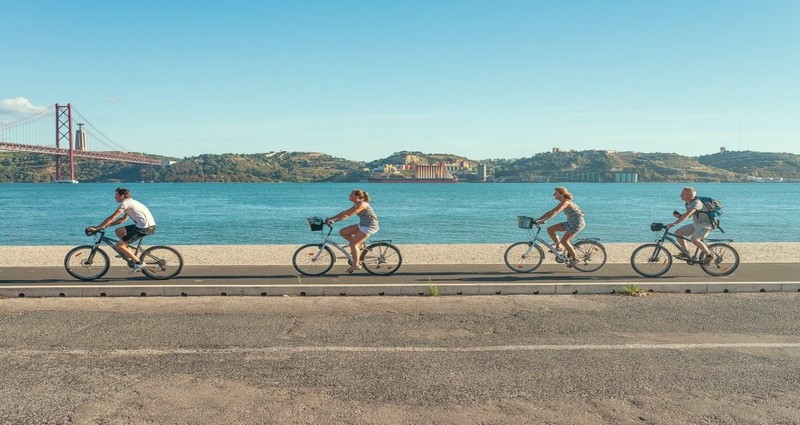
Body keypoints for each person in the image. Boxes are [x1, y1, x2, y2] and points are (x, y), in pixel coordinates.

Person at [88, 187, 157, 274]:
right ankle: (127, 252)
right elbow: (122, 220)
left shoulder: (125, 203)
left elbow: (112, 217)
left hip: (144, 227)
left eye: (116, 195)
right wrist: (106, 226)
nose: (114, 197)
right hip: (143, 225)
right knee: (119, 231)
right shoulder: (130, 202)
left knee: (119, 245)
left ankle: (139, 263)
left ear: (122, 196)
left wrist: (97, 227)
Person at [325, 189, 379, 274]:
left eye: (351, 194)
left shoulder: (362, 205)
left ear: (357, 196)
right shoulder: (356, 204)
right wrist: (331, 218)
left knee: (353, 244)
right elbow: (345, 212)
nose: (349, 196)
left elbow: (349, 214)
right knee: (343, 232)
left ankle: (356, 264)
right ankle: (359, 245)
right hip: (363, 225)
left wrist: (334, 221)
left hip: (370, 226)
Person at [534, 186, 585, 267]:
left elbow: (556, 212)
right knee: (550, 229)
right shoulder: (562, 202)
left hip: (577, 224)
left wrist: (545, 220)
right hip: (570, 222)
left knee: (564, 241)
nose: (553, 195)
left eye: (555, 193)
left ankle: (575, 259)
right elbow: (551, 211)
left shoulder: (566, 202)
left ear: (561, 194)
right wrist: (537, 220)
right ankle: (559, 247)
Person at [666, 186, 715, 264]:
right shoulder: (688, 203)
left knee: (694, 239)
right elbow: (689, 216)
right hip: (697, 224)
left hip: (706, 225)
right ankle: (686, 252)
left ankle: (709, 255)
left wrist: (675, 223)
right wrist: (679, 216)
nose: (680, 195)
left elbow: (688, 213)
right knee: (678, 232)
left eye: (683, 194)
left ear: (690, 195)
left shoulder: (697, 202)